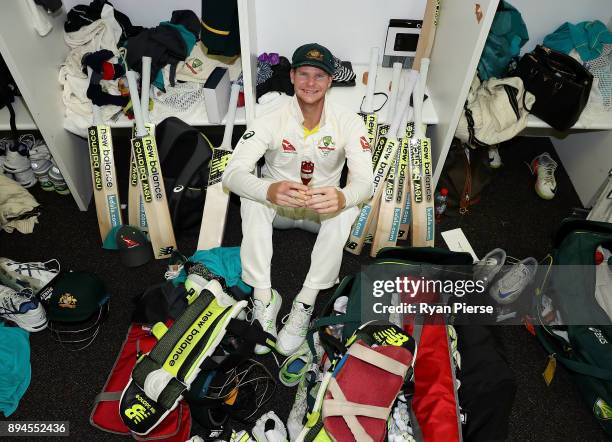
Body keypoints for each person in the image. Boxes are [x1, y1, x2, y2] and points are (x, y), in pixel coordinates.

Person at [222, 43, 374, 355]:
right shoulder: (270, 118)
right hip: (280, 208)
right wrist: (268, 190)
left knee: (347, 208)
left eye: (319, 76)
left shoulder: (349, 121)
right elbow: (232, 174)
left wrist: (342, 196)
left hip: (320, 213)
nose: (310, 83)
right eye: (303, 74)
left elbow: (366, 183)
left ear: (330, 81)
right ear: (291, 76)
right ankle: (263, 297)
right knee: (252, 197)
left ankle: (305, 301)